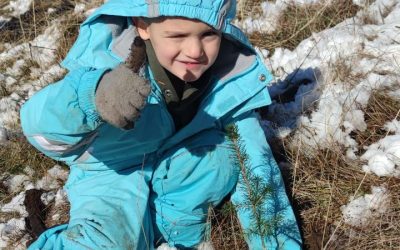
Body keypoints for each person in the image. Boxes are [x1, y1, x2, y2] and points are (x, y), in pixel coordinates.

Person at [20, 0, 302, 249]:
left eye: (209, 34)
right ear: (143, 26)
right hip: (113, 172)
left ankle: (164, 235)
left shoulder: (228, 78)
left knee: (226, 156)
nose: (195, 50)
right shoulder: (106, 66)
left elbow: (254, 164)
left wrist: (276, 243)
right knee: (110, 241)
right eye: (177, 35)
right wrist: (91, 98)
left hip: (181, 173)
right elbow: (40, 128)